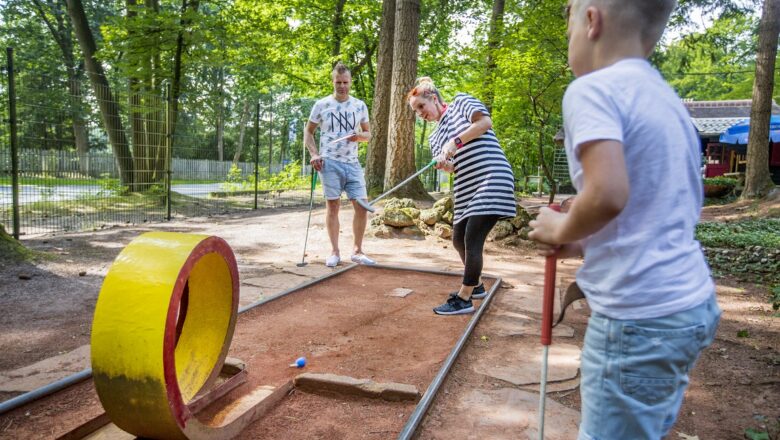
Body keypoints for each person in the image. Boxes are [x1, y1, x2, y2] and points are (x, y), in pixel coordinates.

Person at [528, 1, 721, 438]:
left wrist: (560, 227)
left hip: (637, 317)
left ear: (592, 21)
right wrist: (580, 241)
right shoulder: (665, 99)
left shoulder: (593, 89)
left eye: (569, 20)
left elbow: (609, 193)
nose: (569, 35)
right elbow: (651, 207)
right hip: (687, 304)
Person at [407, 78, 516, 315]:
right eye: (416, 111)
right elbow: (453, 167)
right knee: (458, 239)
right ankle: (476, 286)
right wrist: (445, 164)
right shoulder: (434, 138)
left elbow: (485, 122)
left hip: (492, 176)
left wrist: (455, 142)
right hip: (466, 188)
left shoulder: (460, 102)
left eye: (421, 107)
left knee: (472, 237)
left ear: (433, 98)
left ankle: (464, 298)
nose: (419, 114)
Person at [304, 62, 375, 268]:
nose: (342, 86)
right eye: (338, 82)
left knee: (361, 206)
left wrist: (359, 136)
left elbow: (368, 135)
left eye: (345, 82)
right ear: (333, 82)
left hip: (352, 163)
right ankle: (334, 252)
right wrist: (314, 154)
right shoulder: (321, 105)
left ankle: (358, 251)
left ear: (350, 82)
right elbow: (308, 132)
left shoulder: (360, 105)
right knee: (332, 206)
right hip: (329, 162)